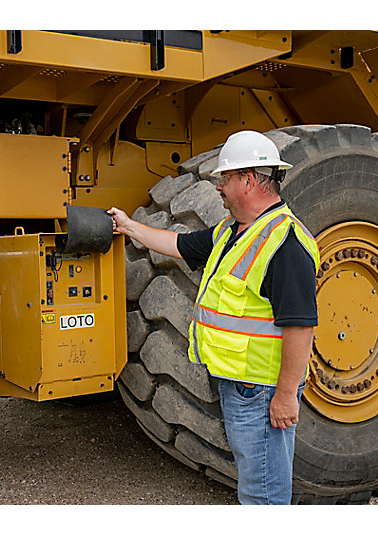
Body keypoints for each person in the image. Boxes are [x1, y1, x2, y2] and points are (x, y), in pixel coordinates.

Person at [108, 130, 319, 505]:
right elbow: (178, 245)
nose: (219, 187)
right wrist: (129, 226)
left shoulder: (285, 243)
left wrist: (286, 396)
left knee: (263, 494)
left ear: (249, 180)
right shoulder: (230, 231)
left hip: (262, 390)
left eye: (225, 178)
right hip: (238, 384)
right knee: (255, 483)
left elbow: (300, 327)